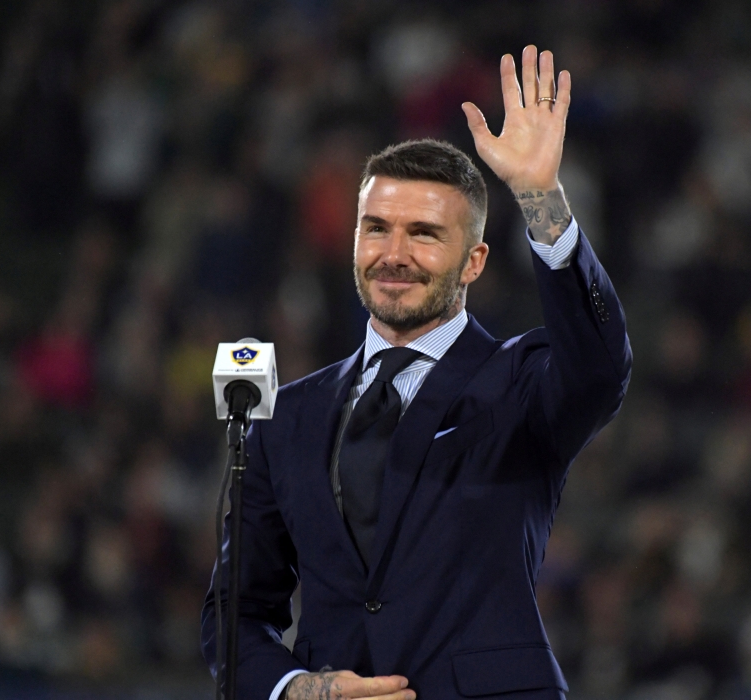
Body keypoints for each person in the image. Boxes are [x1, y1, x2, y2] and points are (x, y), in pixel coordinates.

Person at [202, 46, 632, 700]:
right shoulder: (286, 417)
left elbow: (600, 366)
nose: (393, 255)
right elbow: (235, 617)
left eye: (424, 234)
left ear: (475, 261)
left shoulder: (519, 383)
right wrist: (298, 689)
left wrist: (539, 195)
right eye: (376, 229)